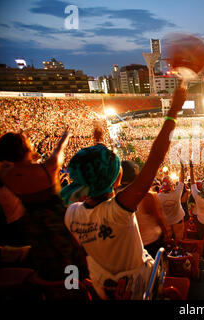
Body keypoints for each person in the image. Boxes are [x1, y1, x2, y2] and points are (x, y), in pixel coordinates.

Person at [63, 85, 187, 299]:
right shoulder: (119, 209)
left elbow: (93, 172)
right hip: (138, 288)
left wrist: (98, 142)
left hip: (104, 290)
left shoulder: (72, 213)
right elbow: (155, 158)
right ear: (117, 179)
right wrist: (173, 111)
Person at [0, 131, 88, 281]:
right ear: (25, 150)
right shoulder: (48, 169)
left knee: (49, 274)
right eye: (29, 142)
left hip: (33, 235)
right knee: (71, 272)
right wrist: (66, 136)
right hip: (60, 234)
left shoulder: (3, 176)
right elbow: (59, 151)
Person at [119, 160, 172, 258]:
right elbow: (159, 218)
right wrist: (167, 234)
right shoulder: (147, 196)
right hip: (150, 244)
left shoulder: (113, 197)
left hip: (127, 248)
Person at [157, 163, 186, 240]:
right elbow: (181, 181)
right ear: (172, 185)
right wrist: (182, 168)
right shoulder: (177, 193)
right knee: (179, 239)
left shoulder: (158, 197)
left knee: (168, 241)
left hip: (167, 222)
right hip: (178, 219)